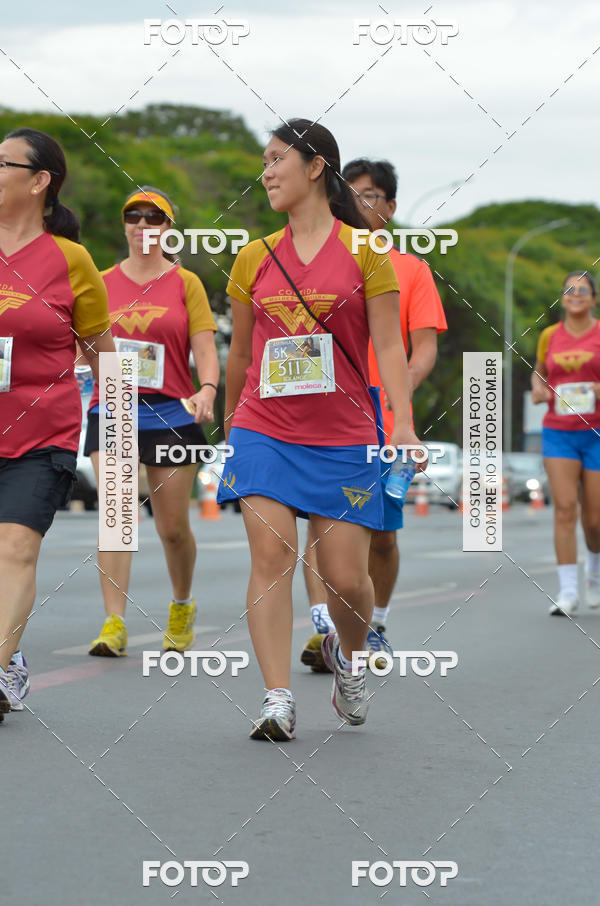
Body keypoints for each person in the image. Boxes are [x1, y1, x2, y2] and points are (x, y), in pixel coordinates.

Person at [218, 119, 424, 741]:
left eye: (278, 159)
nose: (267, 172)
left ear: (315, 167)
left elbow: (389, 345)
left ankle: (350, 660)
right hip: (265, 428)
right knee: (271, 556)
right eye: (264, 160)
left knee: (345, 578)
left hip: (345, 435)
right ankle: (277, 698)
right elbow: (240, 355)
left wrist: (405, 427)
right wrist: (231, 431)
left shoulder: (368, 253)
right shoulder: (253, 256)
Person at [300, 158, 447, 671]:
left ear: (390, 207)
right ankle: (326, 629)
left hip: (385, 418)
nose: (361, 204)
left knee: (381, 532)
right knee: (322, 524)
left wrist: (395, 392)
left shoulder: (412, 268)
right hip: (324, 415)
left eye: (371, 196)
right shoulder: (317, 261)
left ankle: (374, 622)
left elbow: (423, 347)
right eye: (352, 194)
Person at [0, 127, 113, 719]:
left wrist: (113, 436)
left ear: (40, 181)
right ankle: (10, 653)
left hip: (43, 433)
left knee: (16, 547)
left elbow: (102, 351)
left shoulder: (71, 261)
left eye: (2, 163)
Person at [84, 187, 219, 656]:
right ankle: (113, 622)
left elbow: (205, 345)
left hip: (171, 413)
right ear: (125, 226)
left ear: (168, 228)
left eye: (154, 217)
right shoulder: (99, 282)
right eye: (133, 216)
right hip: (114, 404)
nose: (142, 224)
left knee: (172, 526)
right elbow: (83, 342)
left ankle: (181, 606)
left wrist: (207, 389)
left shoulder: (186, 284)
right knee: (116, 514)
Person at [532, 271, 600, 615]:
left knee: (595, 521)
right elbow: (540, 370)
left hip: (596, 433)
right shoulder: (549, 336)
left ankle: (595, 572)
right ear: (562, 298)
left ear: (593, 298)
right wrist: (539, 388)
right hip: (558, 431)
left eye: (583, 290)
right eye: (570, 290)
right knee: (564, 509)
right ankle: (567, 592)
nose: (576, 295)